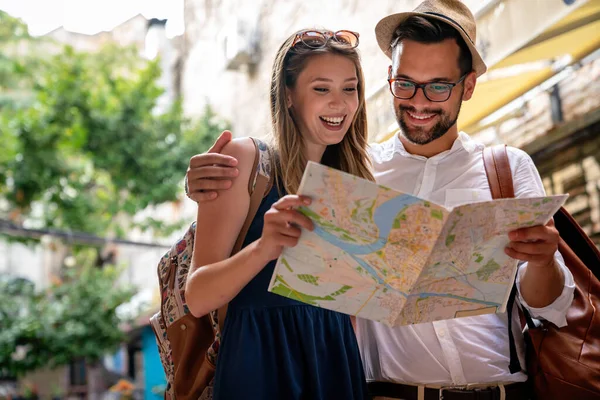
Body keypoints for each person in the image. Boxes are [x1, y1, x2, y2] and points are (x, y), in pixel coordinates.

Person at [185, 1, 575, 399]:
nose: (419, 101)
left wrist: (543, 262)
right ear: (389, 77)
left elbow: (552, 309)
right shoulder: (354, 174)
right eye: (405, 83)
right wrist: (200, 183)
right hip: (354, 384)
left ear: (468, 86)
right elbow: (217, 266)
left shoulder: (506, 169)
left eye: (439, 86)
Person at [184, 28, 373, 400]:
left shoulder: (353, 179)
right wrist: (263, 248)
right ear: (288, 95)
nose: (340, 103)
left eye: (349, 89)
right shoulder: (247, 160)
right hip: (262, 362)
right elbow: (198, 296)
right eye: (322, 89)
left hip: (334, 359)